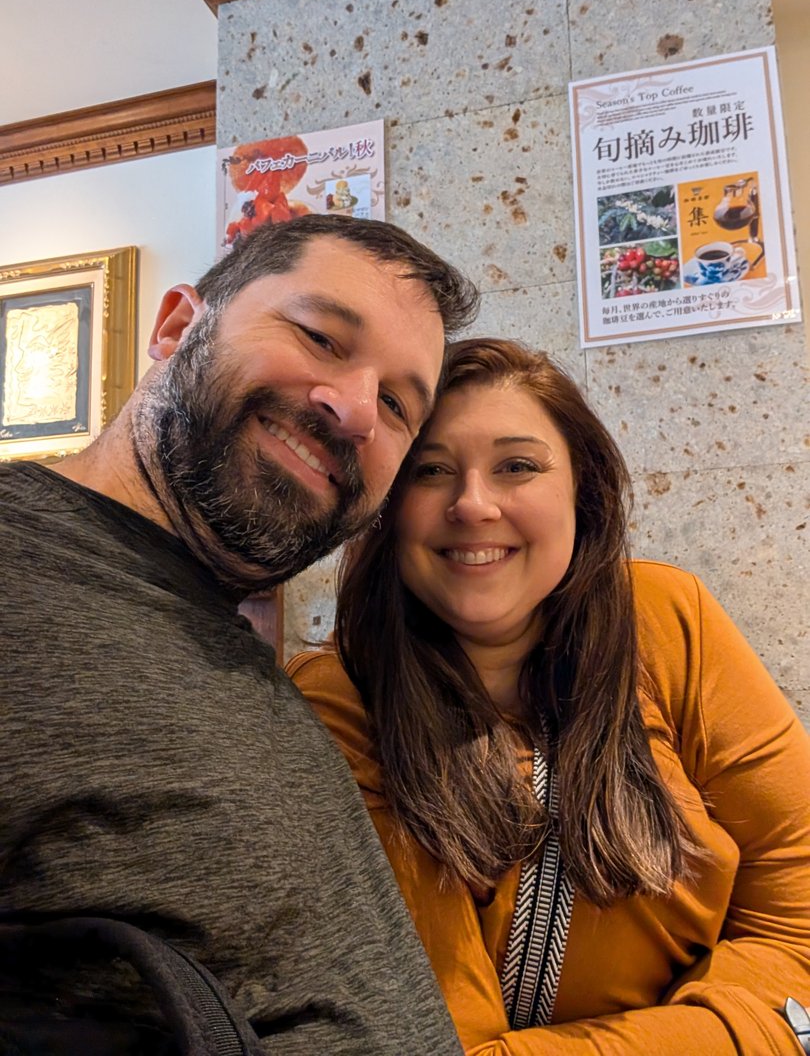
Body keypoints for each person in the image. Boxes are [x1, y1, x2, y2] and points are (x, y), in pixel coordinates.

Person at [0, 215, 480, 1054]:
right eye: (322, 337)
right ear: (178, 326)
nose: (358, 410)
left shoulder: (233, 656)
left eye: (400, 404)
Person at [289, 337, 810, 1055]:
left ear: (581, 491)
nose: (472, 504)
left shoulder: (667, 616)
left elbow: (797, 894)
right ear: (388, 509)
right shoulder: (339, 702)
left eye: (518, 467)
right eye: (431, 471)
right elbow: (437, 1039)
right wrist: (748, 1037)